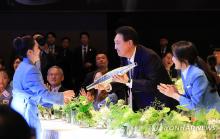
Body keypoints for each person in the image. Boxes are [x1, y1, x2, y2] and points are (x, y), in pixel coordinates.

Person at [96, 26, 178, 111]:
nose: (115, 47)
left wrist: (128, 81)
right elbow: (123, 80)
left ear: (129, 43)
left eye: (117, 43)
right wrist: (107, 86)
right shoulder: (124, 57)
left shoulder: (149, 56)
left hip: (160, 107)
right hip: (141, 107)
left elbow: (154, 84)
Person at [10, 35, 75, 139]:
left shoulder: (22, 66)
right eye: (36, 47)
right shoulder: (31, 69)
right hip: (25, 111)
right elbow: (43, 94)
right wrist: (62, 96)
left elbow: (34, 95)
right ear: (30, 52)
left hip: (19, 108)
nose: (39, 50)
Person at [157, 41, 220, 112]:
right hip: (202, 114)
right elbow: (190, 97)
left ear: (184, 59)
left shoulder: (197, 74)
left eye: (174, 56)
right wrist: (176, 93)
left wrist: (174, 95)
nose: (172, 59)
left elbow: (195, 106)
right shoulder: (185, 71)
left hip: (213, 115)